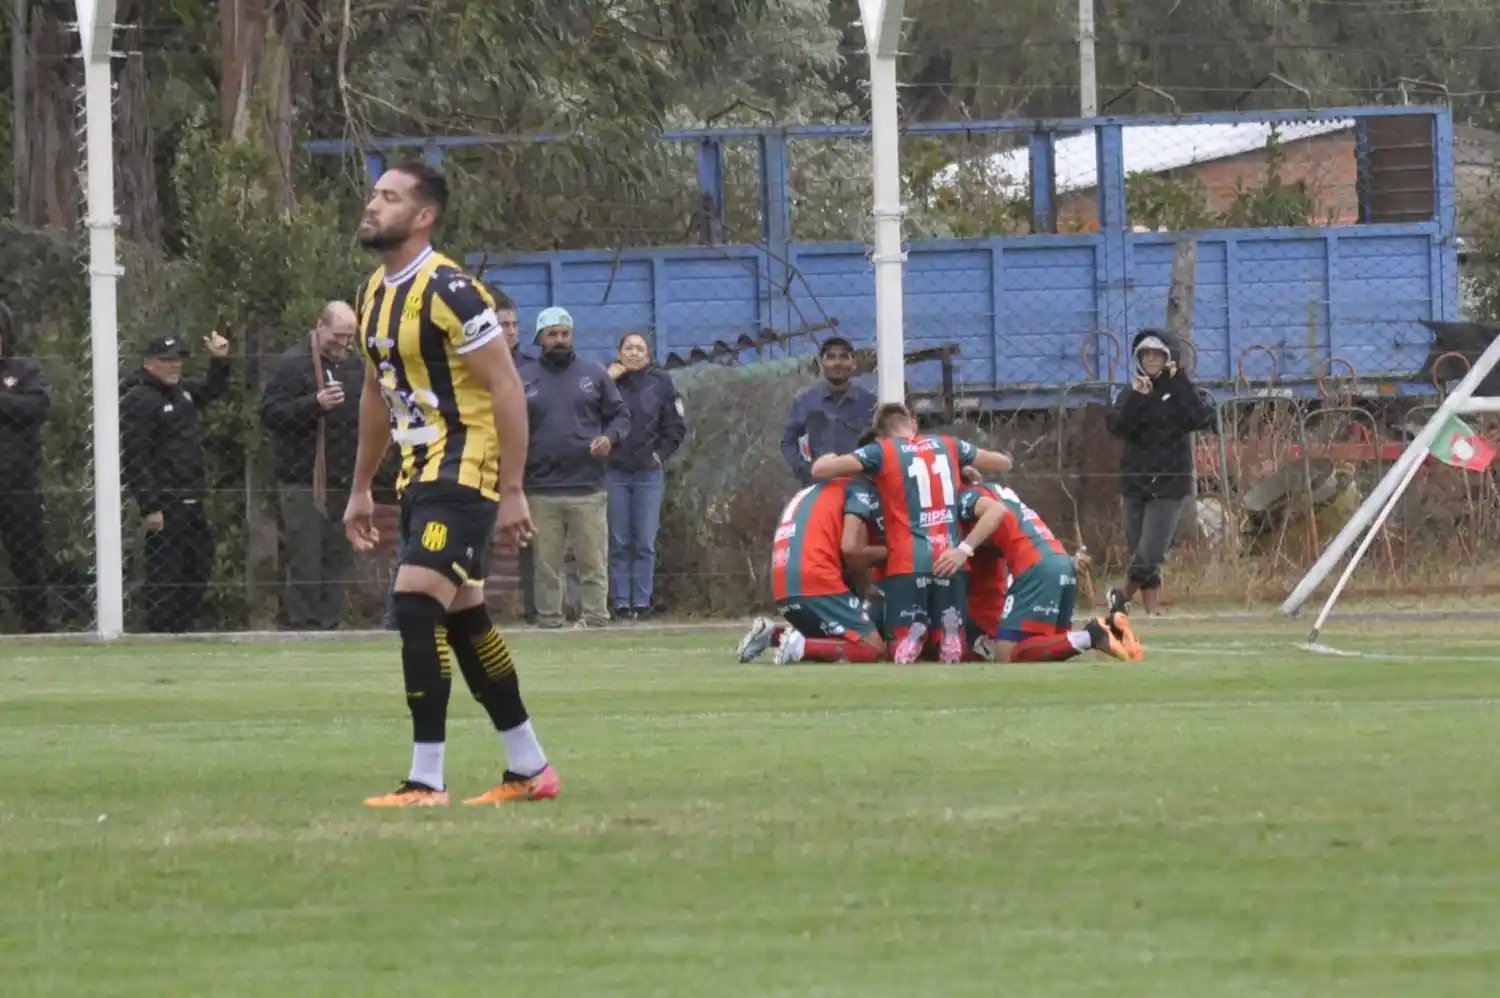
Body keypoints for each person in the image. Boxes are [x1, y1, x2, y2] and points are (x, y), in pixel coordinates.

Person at [342, 160, 558, 809]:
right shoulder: (372, 294)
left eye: (389, 197)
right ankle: (530, 768)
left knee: (414, 603)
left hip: (466, 464)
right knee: (464, 619)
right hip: (418, 474)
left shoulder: (453, 290)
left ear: (424, 215)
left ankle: (426, 780)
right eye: (374, 194)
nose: (373, 205)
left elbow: (506, 385)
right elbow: (378, 396)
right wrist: (361, 488)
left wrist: (513, 488)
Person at [810, 402, 1013, 664]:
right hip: (950, 555)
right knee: (952, 649)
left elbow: (821, 470)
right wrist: (966, 472)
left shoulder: (881, 451)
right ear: (913, 425)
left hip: (908, 560)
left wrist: (832, 456)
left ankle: (912, 636)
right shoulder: (949, 445)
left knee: (899, 649)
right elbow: (1003, 463)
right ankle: (948, 634)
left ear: (881, 434)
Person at [941, 476, 1140, 663]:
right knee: (1048, 649)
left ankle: (1093, 635)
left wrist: (962, 550)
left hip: (1036, 568)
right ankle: (1111, 626)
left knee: (1006, 653)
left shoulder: (968, 496)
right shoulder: (999, 491)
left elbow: (996, 512)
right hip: (1061, 563)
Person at [520, 306, 630, 629]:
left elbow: (620, 415)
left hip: (588, 486)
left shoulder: (594, 374)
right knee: (545, 564)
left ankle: (595, 618)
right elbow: (508, 426)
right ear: (540, 337)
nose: (560, 340)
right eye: (552, 334)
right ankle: (550, 620)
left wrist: (610, 438)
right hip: (541, 488)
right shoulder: (523, 377)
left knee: (593, 561)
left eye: (565, 334)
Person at [260, 302, 364, 630]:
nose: (344, 344)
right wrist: (313, 404)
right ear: (320, 327)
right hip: (302, 479)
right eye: (338, 336)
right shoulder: (293, 364)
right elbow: (269, 413)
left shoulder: (357, 366)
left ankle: (331, 625)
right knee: (305, 559)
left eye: (350, 337)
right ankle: (303, 627)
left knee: (338, 557)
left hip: (344, 478)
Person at [120, 332, 232, 633]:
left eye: (178, 360)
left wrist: (219, 361)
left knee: (198, 564)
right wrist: (150, 505)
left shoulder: (181, 392)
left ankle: (182, 629)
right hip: (165, 502)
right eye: (166, 360)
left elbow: (211, 390)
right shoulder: (139, 399)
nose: (174, 366)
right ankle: (160, 632)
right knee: (164, 571)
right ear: (149, 363)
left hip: (192, 497)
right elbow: (135, 456)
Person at [1104, 328, 1218, 617]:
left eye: (1158, 353)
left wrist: (1178, 378)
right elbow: (1118, 426)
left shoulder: (1180, 390)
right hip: (1135, 481)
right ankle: (1152, 614)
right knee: (1138, 552)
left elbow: (1198, 417)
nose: (1151, 358)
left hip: (1170, 482)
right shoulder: (1130, 393)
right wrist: (1139, 398)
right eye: (1146, 353)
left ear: (1169, 357)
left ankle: (1121, 597)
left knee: (1150, 551)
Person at [736, 475, 887, 666]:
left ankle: (772, 636)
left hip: (783, 584)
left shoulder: (810, 491)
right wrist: (896, 553)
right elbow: (851, 550)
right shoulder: (857, 488)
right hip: (815, 579)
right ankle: (802, 647)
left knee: (836, 634)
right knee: (873, 648)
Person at [605, 332, 686, 621]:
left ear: (649, 355)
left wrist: (658, 456)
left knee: (644, 541)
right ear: (619, 353)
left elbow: (676, 427)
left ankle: (641, 601)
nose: (635, 353)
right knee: (618, 540)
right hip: (614, 472)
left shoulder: (661, 383)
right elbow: (587, 412)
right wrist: (608, 379)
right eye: (629, 348)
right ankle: (620, 603)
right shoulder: (607, 381)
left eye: (640, 349)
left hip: (648, 474)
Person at [0, 300, 53, 633]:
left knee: (28, 560)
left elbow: (37, 406)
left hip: (18, 487)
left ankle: (39, 628)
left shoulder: (25, 371)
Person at [781, 337, 877, 486]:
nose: (837, 362)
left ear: (853, 363)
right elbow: (788, 442)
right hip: (818, 487)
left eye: (844, 357)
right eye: (831, 357)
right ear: (822, 363)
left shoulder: (870, 403)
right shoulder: (805, 401)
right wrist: (806, 470)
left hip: (860, 489)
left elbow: (883, 445)